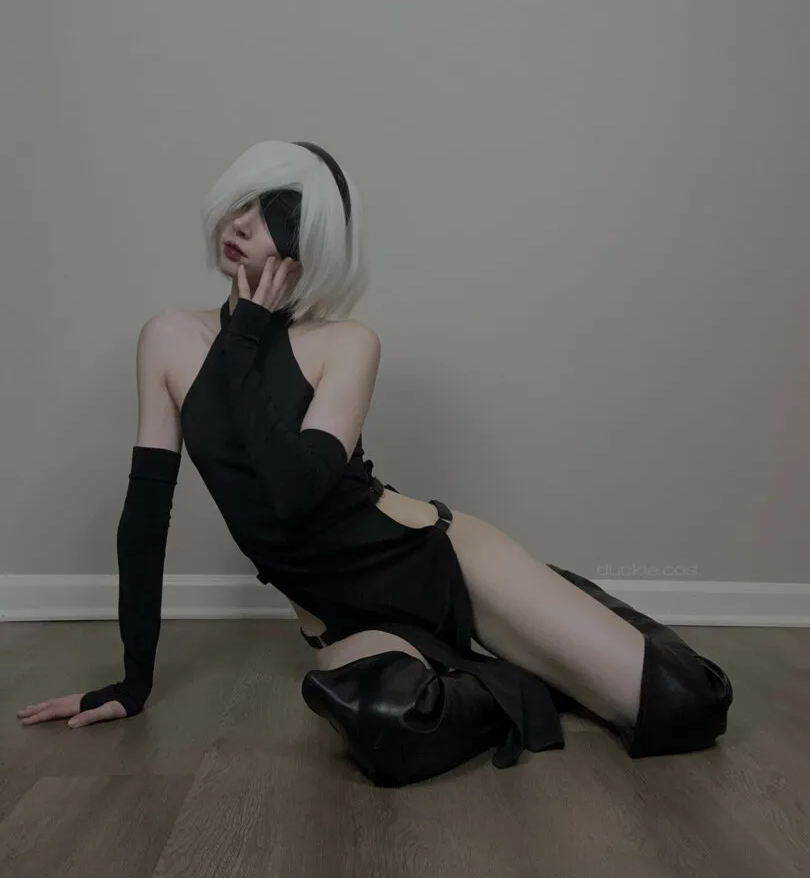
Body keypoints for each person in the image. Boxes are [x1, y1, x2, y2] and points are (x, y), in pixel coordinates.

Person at [16, 140, 733, 785]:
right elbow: (145, 519)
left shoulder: (347, 343)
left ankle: (558, 609)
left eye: (272, 213)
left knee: (685, 706)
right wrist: (131, 683)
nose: (241, 223)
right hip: (340, 620)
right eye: (241, 202)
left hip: (436, 563)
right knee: (392, 726)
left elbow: (296, 489)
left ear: (309, 245)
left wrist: (244, 339)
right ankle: (526, 673)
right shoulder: (168, 340)